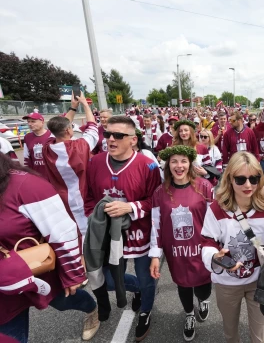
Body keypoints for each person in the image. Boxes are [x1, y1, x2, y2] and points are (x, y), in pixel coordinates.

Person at [0, 154, 100, 342]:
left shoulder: (26, 185)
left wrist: (73, 274)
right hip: (3, 288)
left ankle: (92, 309)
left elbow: (63, 230)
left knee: (63, 301)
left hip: (36, 269)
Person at [85, 116, 161, 341]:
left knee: (147, 279)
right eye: (108, 134)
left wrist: (130, 207)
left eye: (118, 135)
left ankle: (145, 310)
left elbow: (155, 201)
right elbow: (88, 197)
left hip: (139, 235)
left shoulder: (147, 165)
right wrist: (95, 219)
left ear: (133, 140)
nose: (111, 139)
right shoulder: (95, 162)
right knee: (106, 279)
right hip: (108, 236)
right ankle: (137, 288)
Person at [201, 152, 264, 343]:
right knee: (230, 332)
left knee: (261, 336)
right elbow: (207, 241)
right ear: (230, 179)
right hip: (227, 281)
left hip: (260, 280)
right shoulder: (217, 208)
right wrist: (215, 256)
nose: (248, 185)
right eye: (240, 179)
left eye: (254, 178)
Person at [149, 146, 214, 342]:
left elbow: (214, 219)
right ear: (168, 164)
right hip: (175, 250)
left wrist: (216, 247)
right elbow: (156, 225)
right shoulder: (160, 192)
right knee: (183, 284)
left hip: (201, 249)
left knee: (203, 284)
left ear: (190, 163)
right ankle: (189, 314)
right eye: (174, 161)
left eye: (183, 161)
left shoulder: (205, 186)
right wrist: (154, 255)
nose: (179, 166)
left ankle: (203, 301)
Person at [43, 92, 99, 239]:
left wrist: (73, 108)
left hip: (61, 199)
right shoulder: (80, 146)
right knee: (87, 237)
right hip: (83, 197)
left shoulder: (47, 147)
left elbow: (59, 128)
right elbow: (93, 127)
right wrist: (85, 105)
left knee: (72, 235)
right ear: (69, 130)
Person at [22, 112, 53, 177]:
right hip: (37, 175)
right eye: (28, 122)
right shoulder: (27, 137)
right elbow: (26, 158)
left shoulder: (52, 135)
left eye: (33, 121)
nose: (30, 124)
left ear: (42, 122)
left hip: (53, 176)